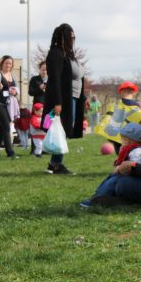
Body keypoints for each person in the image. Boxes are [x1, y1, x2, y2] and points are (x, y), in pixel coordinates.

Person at [42, 23, 86, 175]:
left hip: (74, 96)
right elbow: (55, 80)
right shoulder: (56, 53)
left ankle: (54, 163)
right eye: (70, 37)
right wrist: (58, 102)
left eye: (74, 37)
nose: (73, 40)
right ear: (63, 37)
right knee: (63, 130)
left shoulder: (68, 54)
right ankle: (55, 164)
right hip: (64, 99)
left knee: (66, 129)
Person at [79, 122, 141, 208]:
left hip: (133, 177)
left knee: (112, 183)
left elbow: (135, 166)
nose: (120, 140)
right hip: (124, 175)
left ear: (129, 140)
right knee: (109, 179)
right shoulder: (128, 148)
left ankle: (98, 199)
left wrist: (120, 168)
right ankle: (97, 196)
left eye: (122, 138)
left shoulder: (138, 152)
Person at [94, 81, 141, 154]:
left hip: (115, 136)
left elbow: (107, 120)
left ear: (121, 92)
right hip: (130, 138)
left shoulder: (114, 105)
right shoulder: (138, 108)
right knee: (129, 155)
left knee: (120, 155)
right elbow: (140, 123)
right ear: (134, 93)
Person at [0, 55, 20, 159]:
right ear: (2, 63)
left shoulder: (13, 75)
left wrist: (15, 92)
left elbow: (17, 90)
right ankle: (10, 152)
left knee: (3, 129)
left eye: (10, 63)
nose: (8, 65)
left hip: (10, 107)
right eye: (6, 63)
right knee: (6, 126)